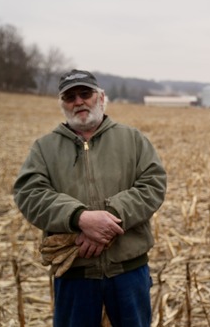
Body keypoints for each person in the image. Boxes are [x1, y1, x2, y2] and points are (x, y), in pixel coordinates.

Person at [13, 69, 167, 327]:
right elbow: (29, 194)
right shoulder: (44, 148)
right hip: (75, 274)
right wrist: (80, 218)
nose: (79, 101)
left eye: (86, 94)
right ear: (62, 104)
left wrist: (107, 221)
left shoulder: (133, 139)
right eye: (70, 97)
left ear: (101, 97)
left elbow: (153, 185)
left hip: (128, 271)